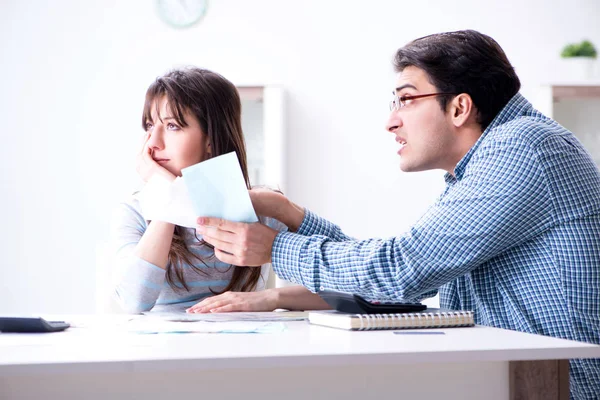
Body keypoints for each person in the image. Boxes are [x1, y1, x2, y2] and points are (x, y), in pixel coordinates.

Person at [195, 31, 600, 399]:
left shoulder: (521, 147)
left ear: (460, 107)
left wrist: (278, 248)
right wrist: (292, 215)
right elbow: (400, 276)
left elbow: (401, 271)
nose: (391, 121)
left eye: (405, 100)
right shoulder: (485, 164)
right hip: (519, 377)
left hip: (558, 386)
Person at [109, 67, 329, 314]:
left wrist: (272, 297)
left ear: (211, 139)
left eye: (172, 126)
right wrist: (167, 196)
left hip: (241, 344)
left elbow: (342, 287)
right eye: (150, 126)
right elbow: (134, 301)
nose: (153, 142)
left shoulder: (259, 206)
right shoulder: (135, 211)